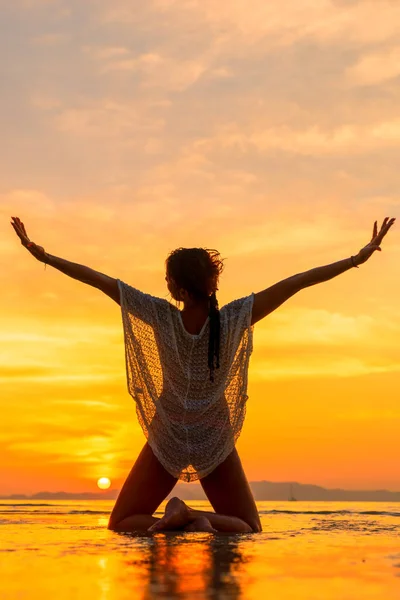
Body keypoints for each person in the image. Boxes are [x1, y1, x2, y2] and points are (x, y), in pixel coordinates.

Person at [10, 215, 396, 533]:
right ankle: (194, 518)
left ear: (177, 286)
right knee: (247, 526)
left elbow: (99, 280)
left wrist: (43, 254)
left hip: (170, 432)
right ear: (210, 284)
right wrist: (355, 260)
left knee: (123, 522)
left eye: (167, 278)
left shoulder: (160, 315)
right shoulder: (233, 317)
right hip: (214, 434)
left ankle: (176, 519)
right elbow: (297, 282)